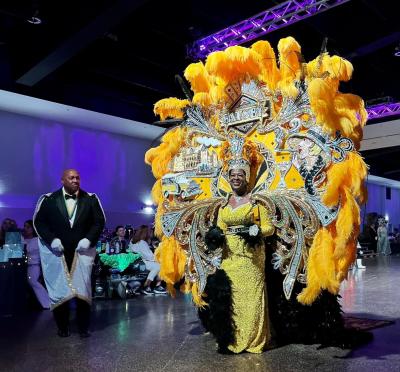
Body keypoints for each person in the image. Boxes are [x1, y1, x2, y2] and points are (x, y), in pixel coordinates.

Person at [203, 153, 275, 354]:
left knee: (250, 298)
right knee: (232, 298)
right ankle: (233, 338)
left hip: (251, 257)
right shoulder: (224, 205)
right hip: (229, 257)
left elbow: (269, 228)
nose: (236, 178)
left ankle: (253, 340)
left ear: (246, 178)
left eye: (240, 175)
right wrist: (215, 235)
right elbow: (219, 227)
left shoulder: (256, 203)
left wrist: (255, 231)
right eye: (232, 175)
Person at [33, 169, 105, 337]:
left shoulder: (91, 199)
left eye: (78, 177)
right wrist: (51, 239)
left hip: (83, 253)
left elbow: (98, 222)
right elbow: (39, 223)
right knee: (59, 291)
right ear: (62, 180)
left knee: (84, 292)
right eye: (71, 177)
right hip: (57, 253)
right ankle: (62, 328)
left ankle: (83, 328)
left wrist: (89, 239)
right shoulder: (49, 199)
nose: (75, 180)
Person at [129, 225, 166, 295]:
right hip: (141, 263)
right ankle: (148, 286)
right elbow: (149, 257)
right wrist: (159, 259)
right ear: (146, 233)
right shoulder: (142, 242)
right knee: (159, 266)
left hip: (136, 262)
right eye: (150, 232)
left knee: (158, 265)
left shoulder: (133, 240)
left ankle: (156, 286)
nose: (151, 233)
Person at [23, 220, 50, 309]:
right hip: (25, 266)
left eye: (28, 227)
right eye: (25, 227)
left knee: (33, 281)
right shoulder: (23, 240)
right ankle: (45, 302)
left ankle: (48, 302)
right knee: (31, 282)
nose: (25, 229)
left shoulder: (38, 240)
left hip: (35, 265)